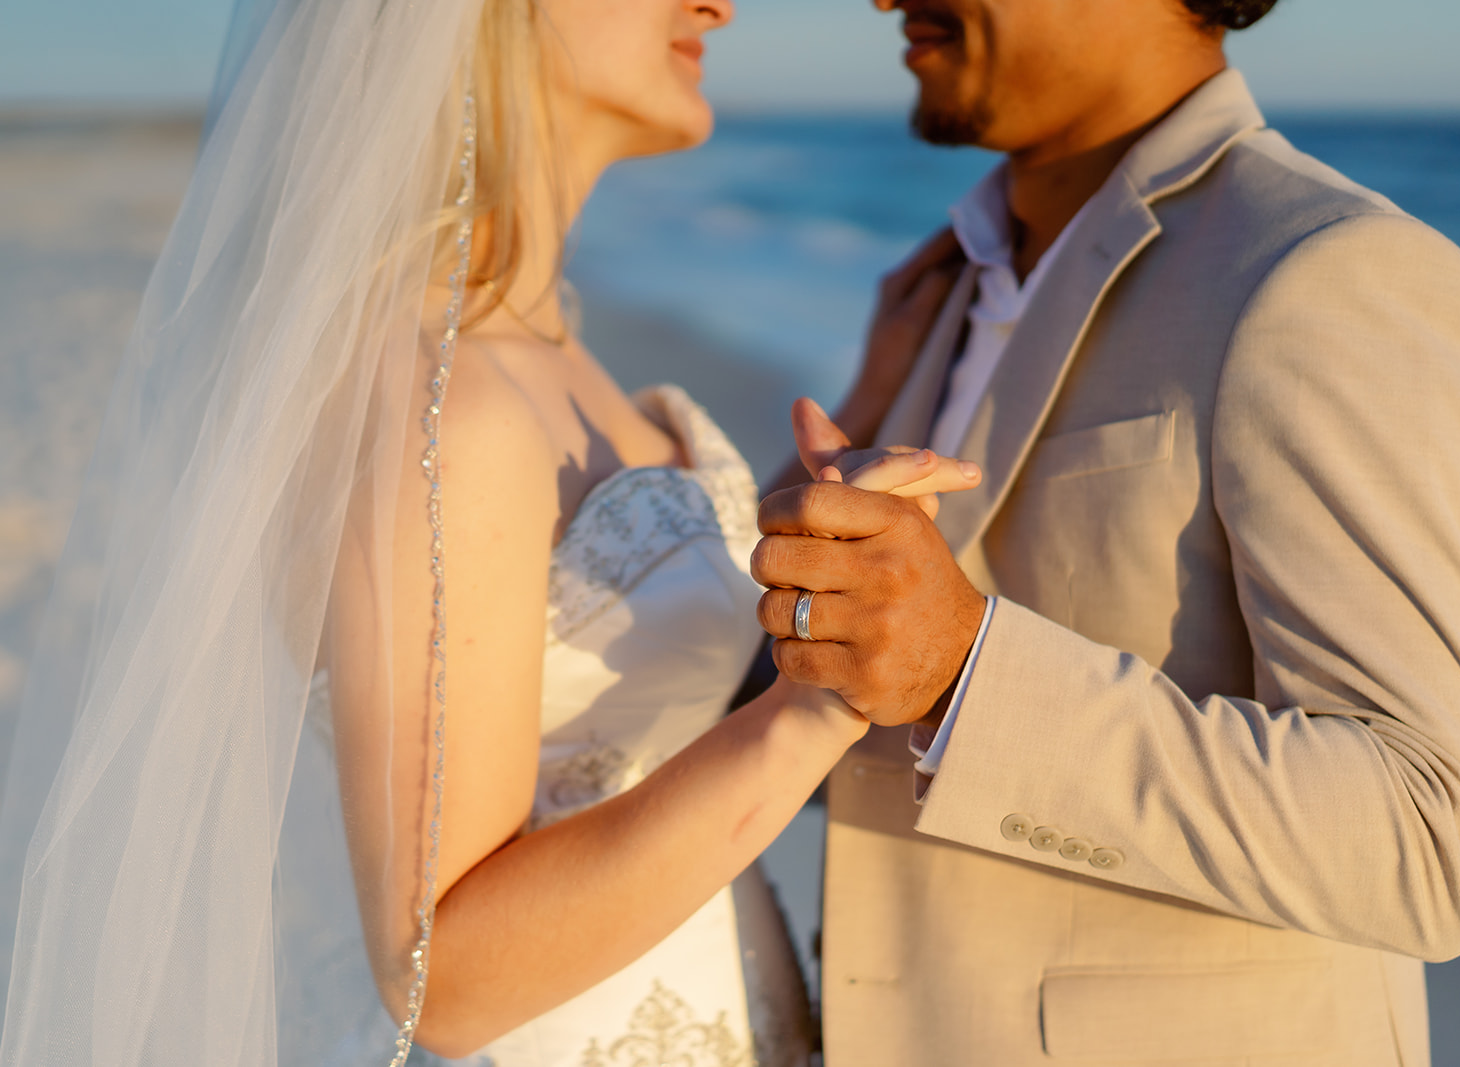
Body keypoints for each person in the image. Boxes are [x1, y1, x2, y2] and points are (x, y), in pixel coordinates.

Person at [0, 0, 974, 1063]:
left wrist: (870, 406)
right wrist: (828, 697)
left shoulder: (531, 355)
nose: (716, 4)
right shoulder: (442, 405)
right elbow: (444, 975)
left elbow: (635, 664)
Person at [752, 0, 1460, 1064]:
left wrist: (963, 668)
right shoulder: (940, 292)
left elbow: (1424, 839)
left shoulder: (1331, 269)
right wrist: (867, 408)